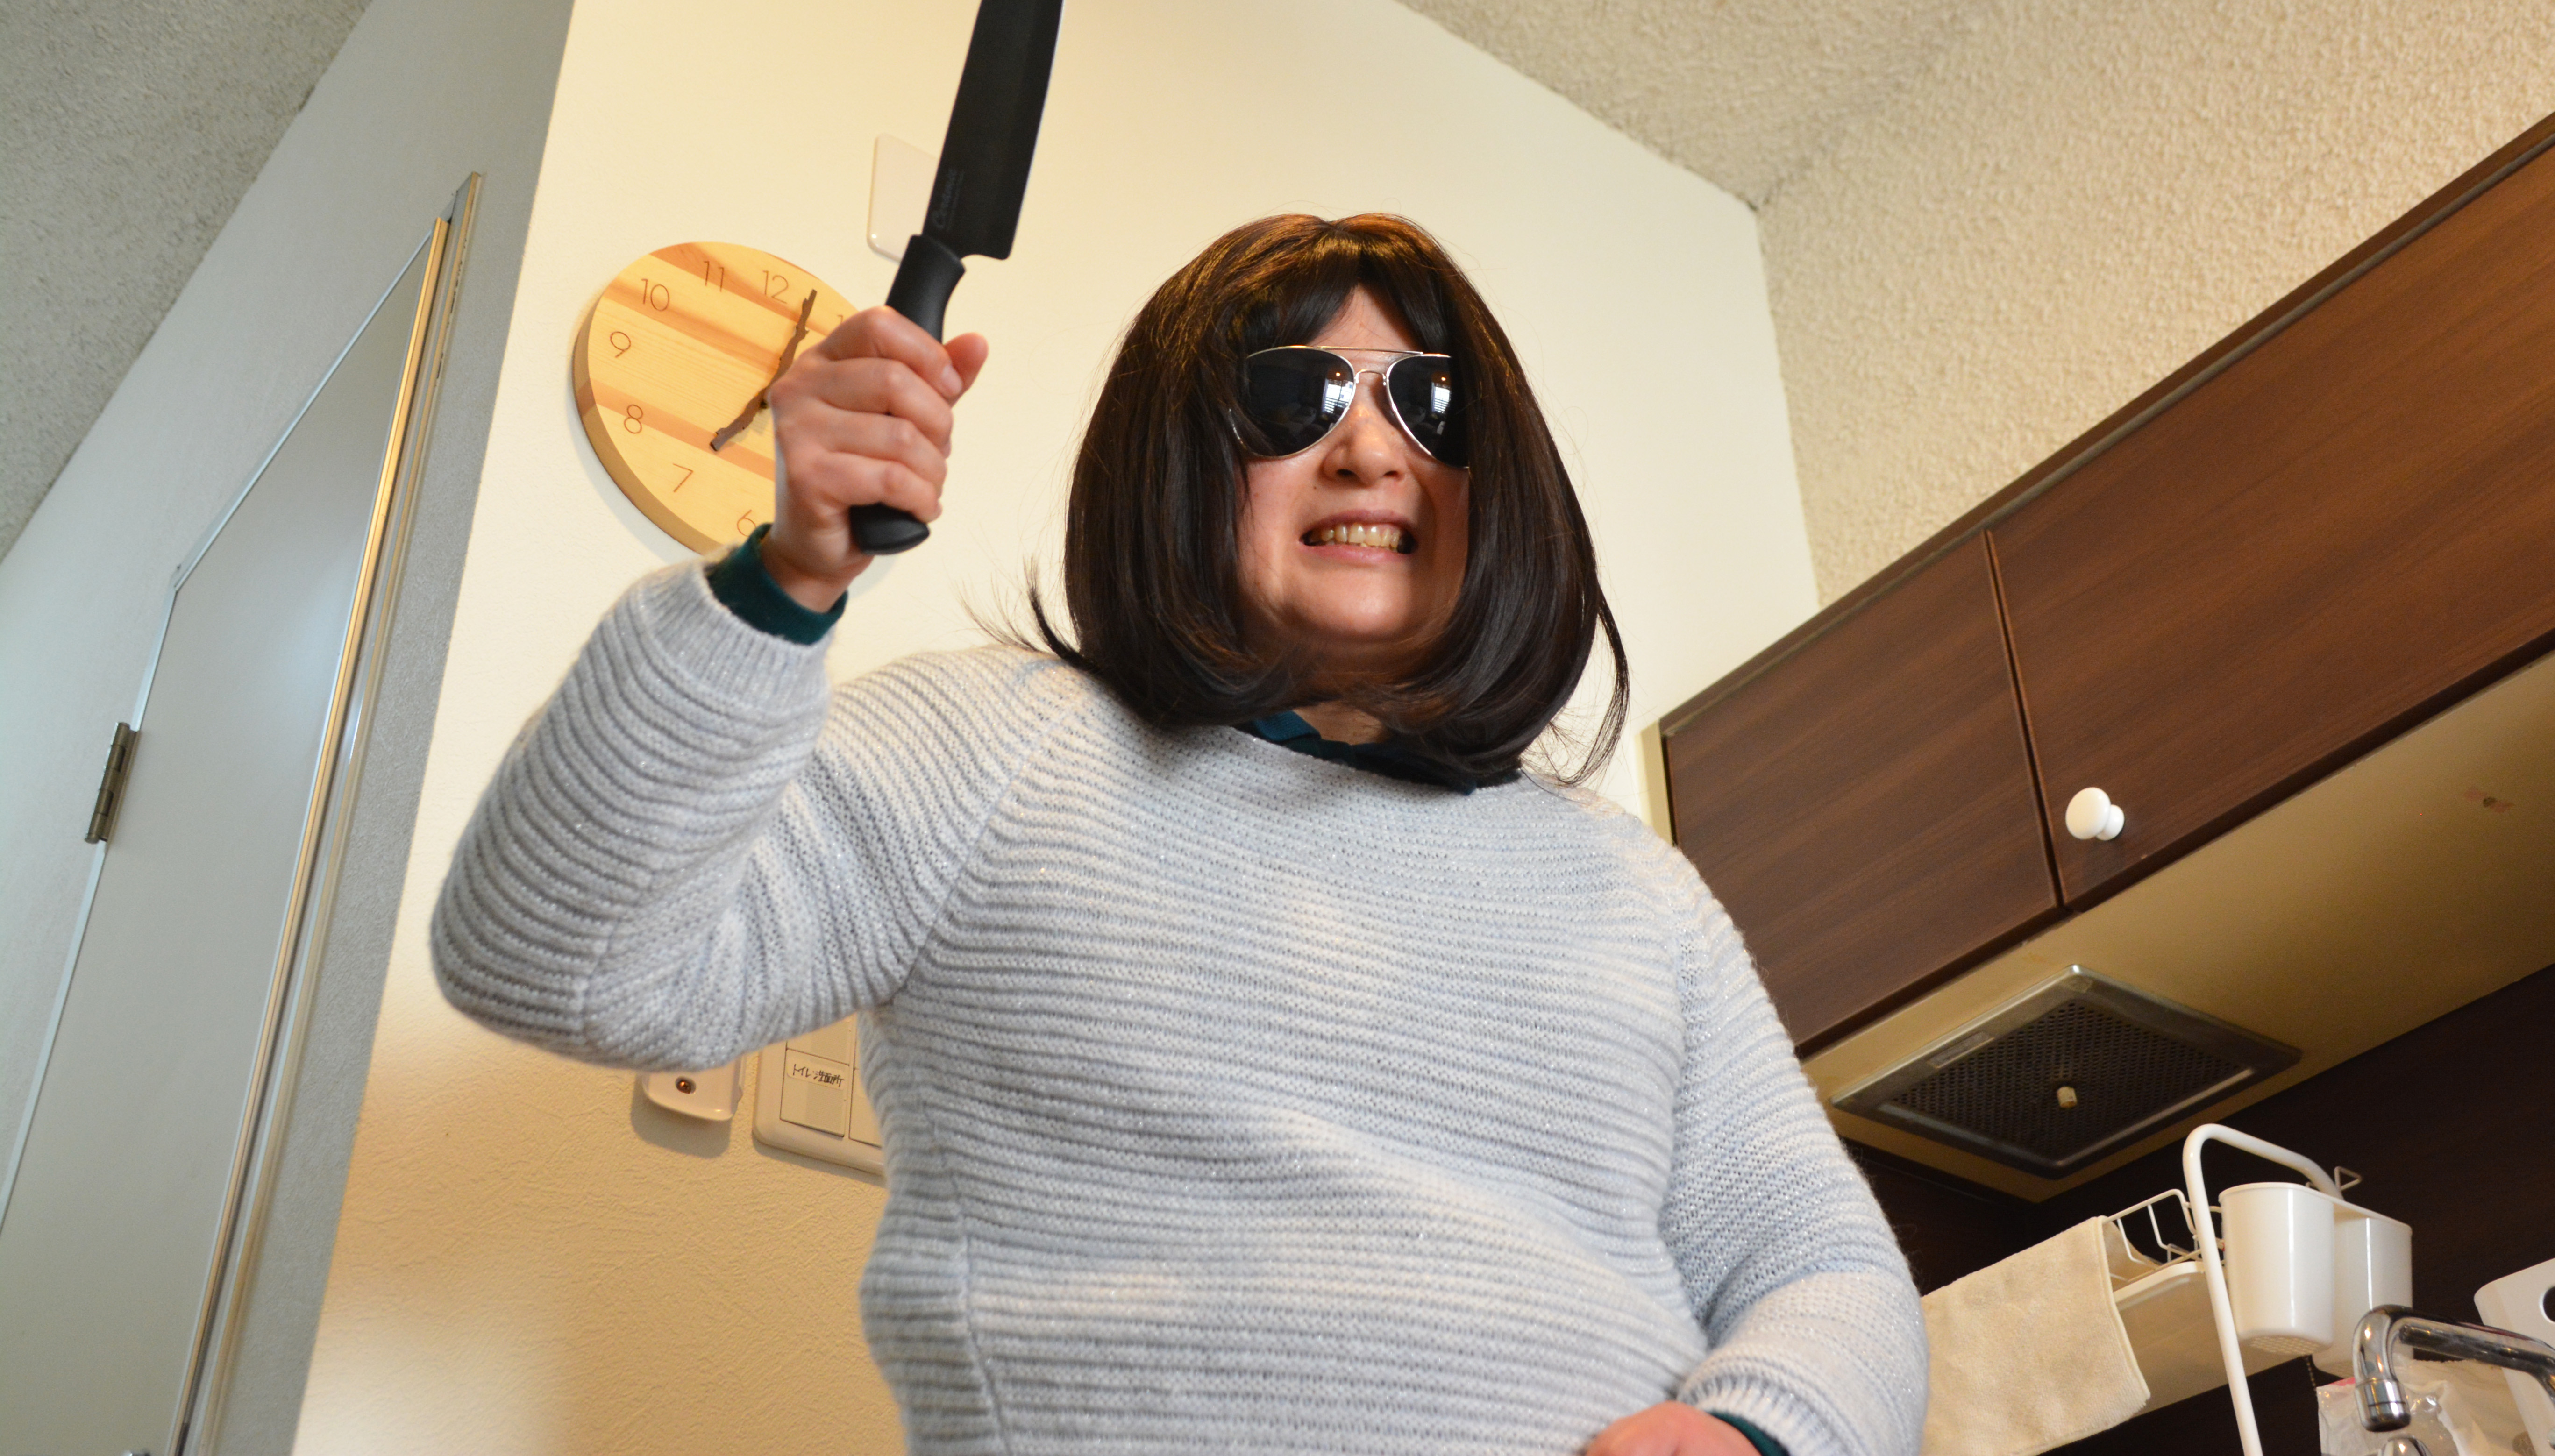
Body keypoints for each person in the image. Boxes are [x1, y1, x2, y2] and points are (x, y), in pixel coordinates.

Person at [433, 213, 1926, 1456]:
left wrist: (1755, 1434)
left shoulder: (1639, 893)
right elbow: (552, 967)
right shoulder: (998, 750)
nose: (1371, 452)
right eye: (1294, 400)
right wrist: (786, 579)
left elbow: (1826, 1265)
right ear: (1175, 462)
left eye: (1434, 405)